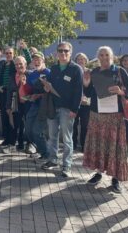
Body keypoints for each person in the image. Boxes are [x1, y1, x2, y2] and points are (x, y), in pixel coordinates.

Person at [82, 46, 128, 193]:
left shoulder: (119, 71)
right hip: (97, 115)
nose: (104, 57)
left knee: (114, 148)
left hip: (115, 116)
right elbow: (88, 93)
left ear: (111, 56)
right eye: (101, 55)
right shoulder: (93, 72)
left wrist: (121, 91)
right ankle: (98, 174)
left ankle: (115, 179)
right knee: (99, 145)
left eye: (107, 54)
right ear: (98, 57)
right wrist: (86, 83)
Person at [41, 42, 83, 178]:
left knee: (67, 139)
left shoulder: (76, 69)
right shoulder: (53, 68)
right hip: (53, 106)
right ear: (56, 53)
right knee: (52, 136)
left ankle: (67, 165)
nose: (63, 53)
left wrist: (74, 109)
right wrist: (46, 87)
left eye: (66, 51)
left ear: (70, 52)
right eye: (60, 51)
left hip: (68, 109)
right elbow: (50, 86)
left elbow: (78, 92)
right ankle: (53, 160)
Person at [24, 52, 50, 160]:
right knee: (28, 130)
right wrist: (27, 93)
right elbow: (29, 90)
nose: (36, 61)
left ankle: (45, 154)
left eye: (38, 59)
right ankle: (39, 149)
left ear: (43, 60)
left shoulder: (48, 72)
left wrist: (38, 95)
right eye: (34, 59)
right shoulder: (32, 75)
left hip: (44, 106)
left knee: (37, 131)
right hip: (34, 105)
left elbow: (51, 91)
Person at [3, 56, 31, 153]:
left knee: (27, 125)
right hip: (16, 103)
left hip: (28, 104)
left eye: (20, 64)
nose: (18, 66)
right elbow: (9, 93)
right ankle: (13, 145)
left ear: (25, 64)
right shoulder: (12, 76)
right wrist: (7, 106)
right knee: (15, 124)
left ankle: (26, 144)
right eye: (16, 64)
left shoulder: (30, 75)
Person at [0, 47, 16, 145]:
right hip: (2, 94)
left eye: (10, 53)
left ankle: (12, 139)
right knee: (4, 116)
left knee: (11, 116)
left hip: (11, 94)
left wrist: (25, 49)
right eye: (7, 53)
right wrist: (0, 86)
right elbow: (0, 78)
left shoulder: (15, 65)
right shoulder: (3, 64)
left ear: (13, 54)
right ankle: (6, 138)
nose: (8, 55)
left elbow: (28, 62)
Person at [73, 52, 91, 151]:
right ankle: (73, 144)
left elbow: (93, 88)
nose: (81, 61)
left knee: (85, 125)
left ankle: (84, 145)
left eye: (83, 59)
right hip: (75, 102)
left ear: (86, 60)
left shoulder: (90, 72)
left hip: (86, 103)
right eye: (79, 59)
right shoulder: (73, 71)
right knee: (73, 125)